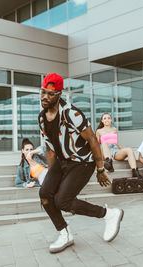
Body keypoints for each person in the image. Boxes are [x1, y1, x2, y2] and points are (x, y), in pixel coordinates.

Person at [38, 73, 124, 254]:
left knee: (63, 201)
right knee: (45, 193)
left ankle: (109, 214)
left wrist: (100, 169)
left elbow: (93, 139)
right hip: (62, 162)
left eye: (50, 93)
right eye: (43, 92)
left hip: (83, 162)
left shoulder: (71, 113)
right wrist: (51, 175)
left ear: (59, 94)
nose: (45, 97)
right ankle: (64, 234)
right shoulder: (42, 118)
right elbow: (49, 148)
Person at [96, 113, 142, 177]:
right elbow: (97, 145)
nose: (107, 120)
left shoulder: (114, 129)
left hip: (115, 150)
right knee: (104, 143)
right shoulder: (99, 131)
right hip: (105, 151)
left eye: (109, 118)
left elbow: (115, 142)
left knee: (129, 150)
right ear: (102, 121)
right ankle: (109, 163)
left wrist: (121, 148)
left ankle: (135, 172)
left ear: (111, 120)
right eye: (105, 118)